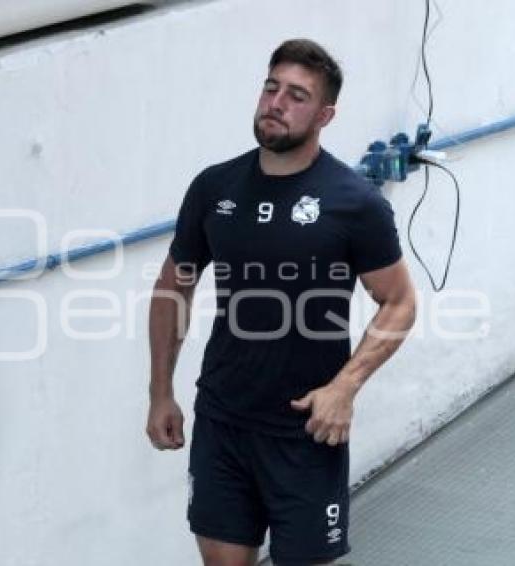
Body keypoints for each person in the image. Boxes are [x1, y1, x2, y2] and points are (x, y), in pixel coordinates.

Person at [146, 38, 418, 566]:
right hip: (223, 418)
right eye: (271, 87)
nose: (276, 102)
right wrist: (160, 392)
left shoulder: (353, 203)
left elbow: (399, 303)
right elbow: (172, 287)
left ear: (325, 114)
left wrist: (345, 387)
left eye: (297, 95)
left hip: (304, 429)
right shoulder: (214, 187)